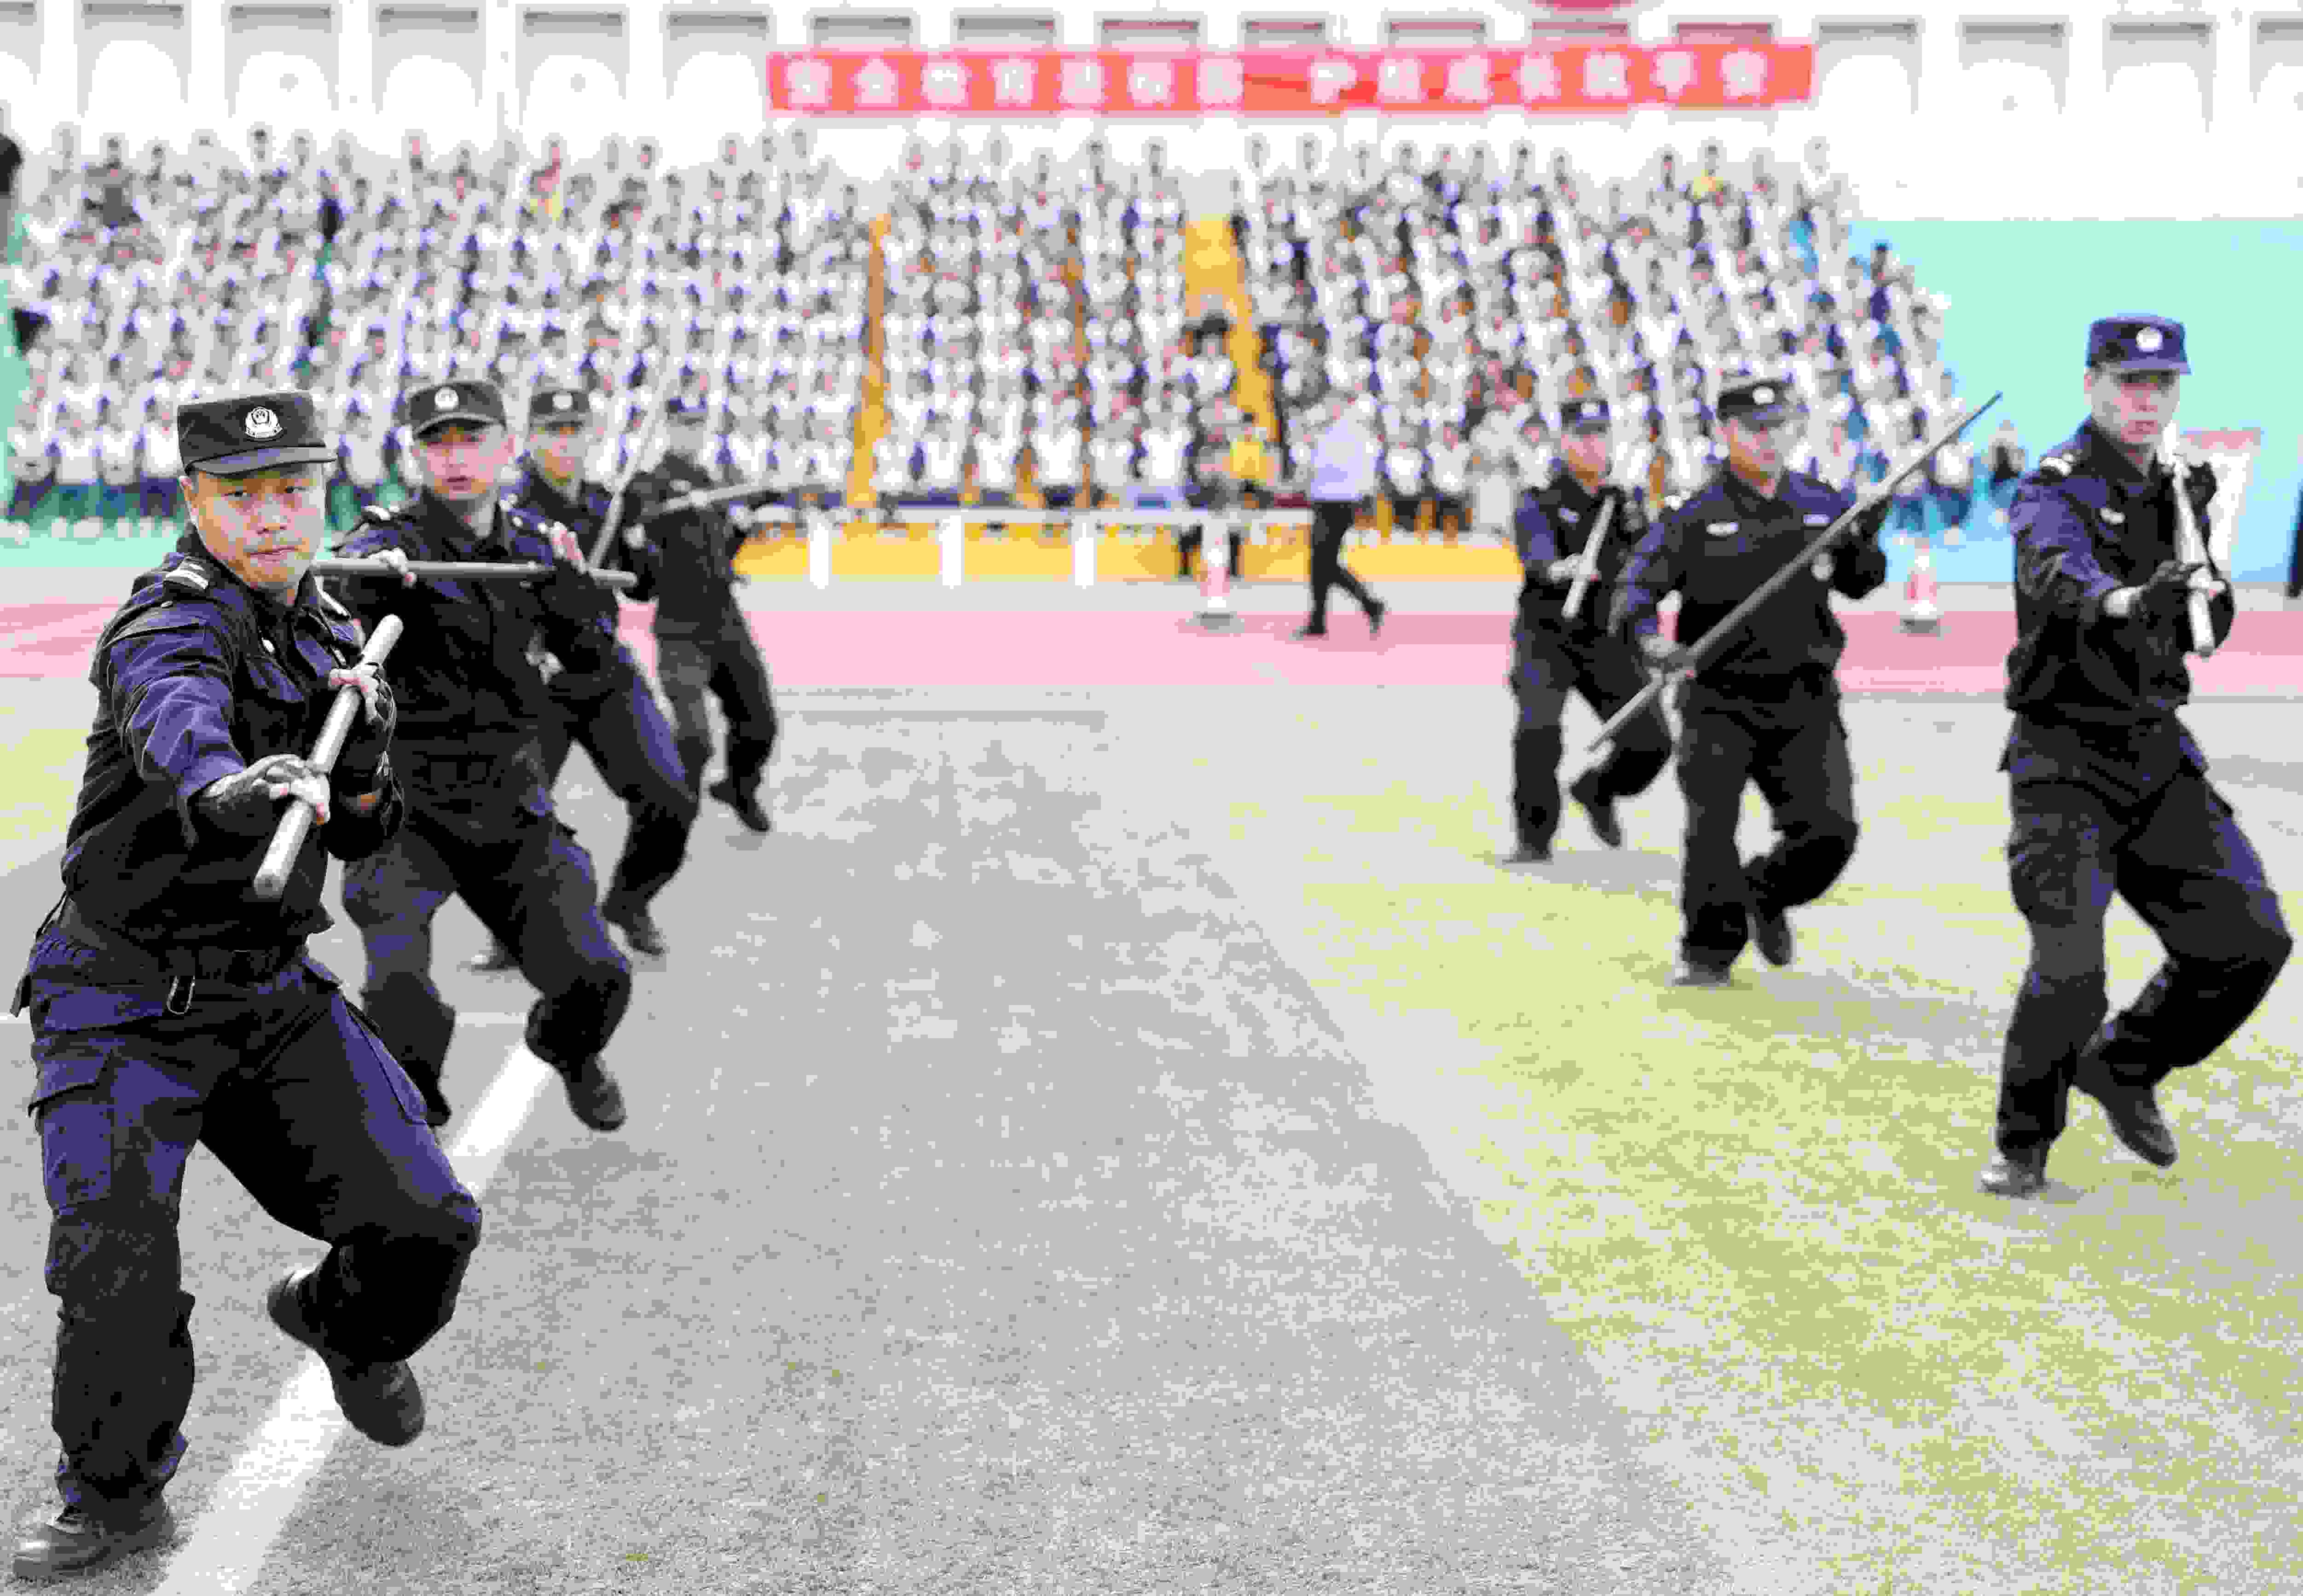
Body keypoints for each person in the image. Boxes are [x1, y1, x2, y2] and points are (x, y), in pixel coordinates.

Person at [8, 390, 480, 1581]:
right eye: (241, 495)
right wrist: (229, 786)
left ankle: (338, 1320)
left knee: (427, 1223)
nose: (271, 517)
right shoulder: (167, 621)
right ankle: (113, 1497)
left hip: (265, 992)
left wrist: (361, 766)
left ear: (319, 495)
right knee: (117, 1265)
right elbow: (176, 715)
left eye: (291, 492)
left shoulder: (328, 631)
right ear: (194, 500)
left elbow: (363, 832)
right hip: (118, 1000)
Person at [1982, 314, 2292, 1199]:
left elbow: (2200, 616)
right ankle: (2020, 1143)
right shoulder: (2051, 486)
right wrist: (2127, 600)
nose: (2144, 400)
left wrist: (2201, 600)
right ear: (2090, 385)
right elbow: (2057, 576)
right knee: (2070, 972)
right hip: (2061, 760)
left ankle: (2122, 1065)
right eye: (2127, 382)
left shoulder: (2185, 486)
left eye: (2160, 384)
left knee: (2247, 941)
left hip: (2153, 750)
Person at [331, 376, 632, 1132]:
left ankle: (567, 1048)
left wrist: (574, 596)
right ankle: (415, 1101)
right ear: (417, 456)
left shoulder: (534, 548)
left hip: (510, 802)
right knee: (396, 981)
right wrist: (374, 576)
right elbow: (343, 586)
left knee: (597, 976)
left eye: (471, 440)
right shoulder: (388, 541)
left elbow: (593, 661)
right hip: (408, 807)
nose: (455, 458)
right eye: (437, 443)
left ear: (505, 448)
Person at [1612, 376, 1891, 987]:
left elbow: (1860, 582)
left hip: (1805, 698)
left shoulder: (1821, 502)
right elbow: (1636, 587)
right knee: (1711, 830)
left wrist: (1865, 537)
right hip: (1719, 698)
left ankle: (1764, 892)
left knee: (1831, 832)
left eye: (1779, 427)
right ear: (1726, 432)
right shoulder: (1693, 514)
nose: (1768, 439)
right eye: (1754, 429)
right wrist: (1651, 641)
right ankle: (1706, 953)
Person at [466, 387, 696, 971]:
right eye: (553, 431)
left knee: (670, 798)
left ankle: (630, 902)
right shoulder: (505, 510)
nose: (564, 443)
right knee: (511, 812)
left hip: (604, 671)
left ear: (591, 437)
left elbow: (643, 588)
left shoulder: (608, 505)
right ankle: (511, 928)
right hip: (534, 678)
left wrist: (637, 537)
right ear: (531, 439)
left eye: (574, 430)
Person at [1505, 397, 1673, 862]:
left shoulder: (1624, 503)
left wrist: (1648, 633)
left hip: (1607, 638)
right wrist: (1560, 568)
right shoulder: (1541, 495)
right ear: (1564, 442)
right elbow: (1536, 551)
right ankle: (1534, 839)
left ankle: (1598, 789)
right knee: (1538, 730)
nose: (1593, 445)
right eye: (1582, 436)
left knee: (1652, 744)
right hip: (1547, 636)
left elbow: (1647, 568)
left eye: (1600, 435)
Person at [624, 396, 779, 832]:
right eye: (682, 426)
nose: (690, 434)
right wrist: (645, 518)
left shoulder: (710, 484)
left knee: (760, 723)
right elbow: (641, 541)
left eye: (696, 426)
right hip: (680, 628)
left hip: (725, 622)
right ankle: (679, 812)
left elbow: (720, 554)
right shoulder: (651, 484)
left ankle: (739, 787)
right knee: (693, 738)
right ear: (668, 429)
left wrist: (742, 525)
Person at [1300, 395, 1388, 639]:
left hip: (1336, 503)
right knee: (1320, 564)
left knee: (1322, 564)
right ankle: (1322, 619)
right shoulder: (1336, 433)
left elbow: (1321, 467)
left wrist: (1311, 448)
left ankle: (1366, 604)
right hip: (1331, 502)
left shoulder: (1344, 434)